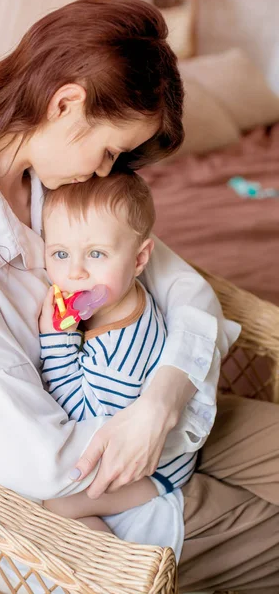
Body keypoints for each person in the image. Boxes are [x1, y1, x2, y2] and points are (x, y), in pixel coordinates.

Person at [0, 0, 278, 591]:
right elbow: (32, 455)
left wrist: (163, 401)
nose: (106, 169)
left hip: (153, 416)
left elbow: (187, 291)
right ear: (67, 104)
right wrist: (163, 432)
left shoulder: (55, 186)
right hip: (89, 485)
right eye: (111, 149)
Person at [39, 173, 199, 532]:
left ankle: (117, 575)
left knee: (55, 506)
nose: (75, 272)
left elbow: (83, 423)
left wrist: (55, 343)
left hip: (158, 469)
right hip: (125, 430)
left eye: (96, 254)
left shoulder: (119, 359)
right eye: (60, 253)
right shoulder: (118, 295)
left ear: (140, 258)